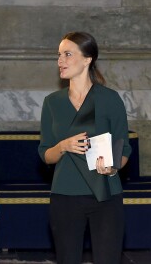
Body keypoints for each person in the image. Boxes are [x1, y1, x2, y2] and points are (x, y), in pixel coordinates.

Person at [38, 32, 132, 264]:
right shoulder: (52, 102)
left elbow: (125, 147)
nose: (60, 61)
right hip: (65, 196)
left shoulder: (110, 99)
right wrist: (63, 146)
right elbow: (45, 154)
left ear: (87, 59)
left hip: (106, 194)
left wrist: (112, 167)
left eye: (67, 54)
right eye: (59, 55)